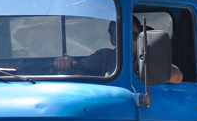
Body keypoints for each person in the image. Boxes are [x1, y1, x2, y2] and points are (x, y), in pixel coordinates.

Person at [54, 18, 182, 83]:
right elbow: (79, 67)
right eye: (120, 37)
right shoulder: (104, 56)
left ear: (141, 37)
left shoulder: (149, 56)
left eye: (132, 36)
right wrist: (66, 62)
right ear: (113, 41)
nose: (127, 41)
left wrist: (138, 77)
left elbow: (177, 76)